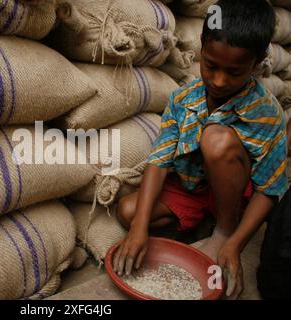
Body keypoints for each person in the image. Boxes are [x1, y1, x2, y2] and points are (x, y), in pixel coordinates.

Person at [113, 0, 288, 299]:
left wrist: (234, 244)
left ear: (257, 63)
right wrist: (139, 228)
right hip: (194, 189)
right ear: (202, 47)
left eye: (234, 72)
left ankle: (223, 230)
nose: (219, 80)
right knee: (129, 212)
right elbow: (159, 160)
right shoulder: (183, 99)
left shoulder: (267, 111)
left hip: (238, 197)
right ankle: (202, 220)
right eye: (211, 66)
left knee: (214, 139)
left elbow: (270, 189)